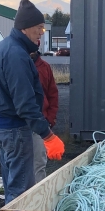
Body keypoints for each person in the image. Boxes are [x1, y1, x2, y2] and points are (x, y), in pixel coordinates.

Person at [0, 0, 65, 211]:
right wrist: (48, 135)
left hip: (1, 127)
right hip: (15, 130)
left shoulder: (5, 48)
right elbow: (25, 104)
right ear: (25, 28)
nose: (42, 33)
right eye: (39, 28)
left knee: (12, 187)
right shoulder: (17, 55)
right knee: (21, 191)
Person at [30, 46, 59, 185]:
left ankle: (37, 196)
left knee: (39, 162)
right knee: (19, 163)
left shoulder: (45, 67)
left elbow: (53, 94)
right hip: (20, 124)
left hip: (40, 122)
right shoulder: (17, 64)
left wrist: (50, 118)